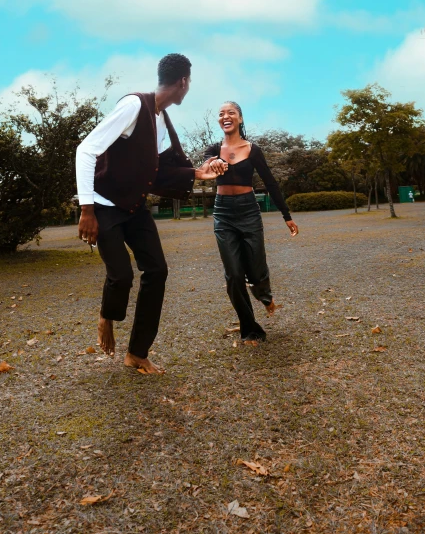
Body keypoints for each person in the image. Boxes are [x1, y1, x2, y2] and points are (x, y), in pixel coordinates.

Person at [76, 54, 225, 374]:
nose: (189, 89)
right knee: (122, 276)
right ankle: (107, 316)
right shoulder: (134, 106)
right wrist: (86, 209)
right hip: (103, 204)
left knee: (156, 270)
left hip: (134, 207)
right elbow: (86, 150)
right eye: (190, 83)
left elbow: (157, 173)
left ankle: (137, 353)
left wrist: (198, 173)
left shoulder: (161, 119)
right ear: (183, 81)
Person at [205, 101, 299, 346]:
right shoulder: (213, 150)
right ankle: (249, 328)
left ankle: (265, 296)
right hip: (223, 213)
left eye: (231, 113)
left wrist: (286, 215)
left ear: (240, 119)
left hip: (248, 211)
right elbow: (204, 167)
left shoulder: (253, 149)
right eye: (221, 113)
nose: (226, 116)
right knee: (234, 274)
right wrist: (212, 164)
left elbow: (270, 183)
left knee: (256, 269)